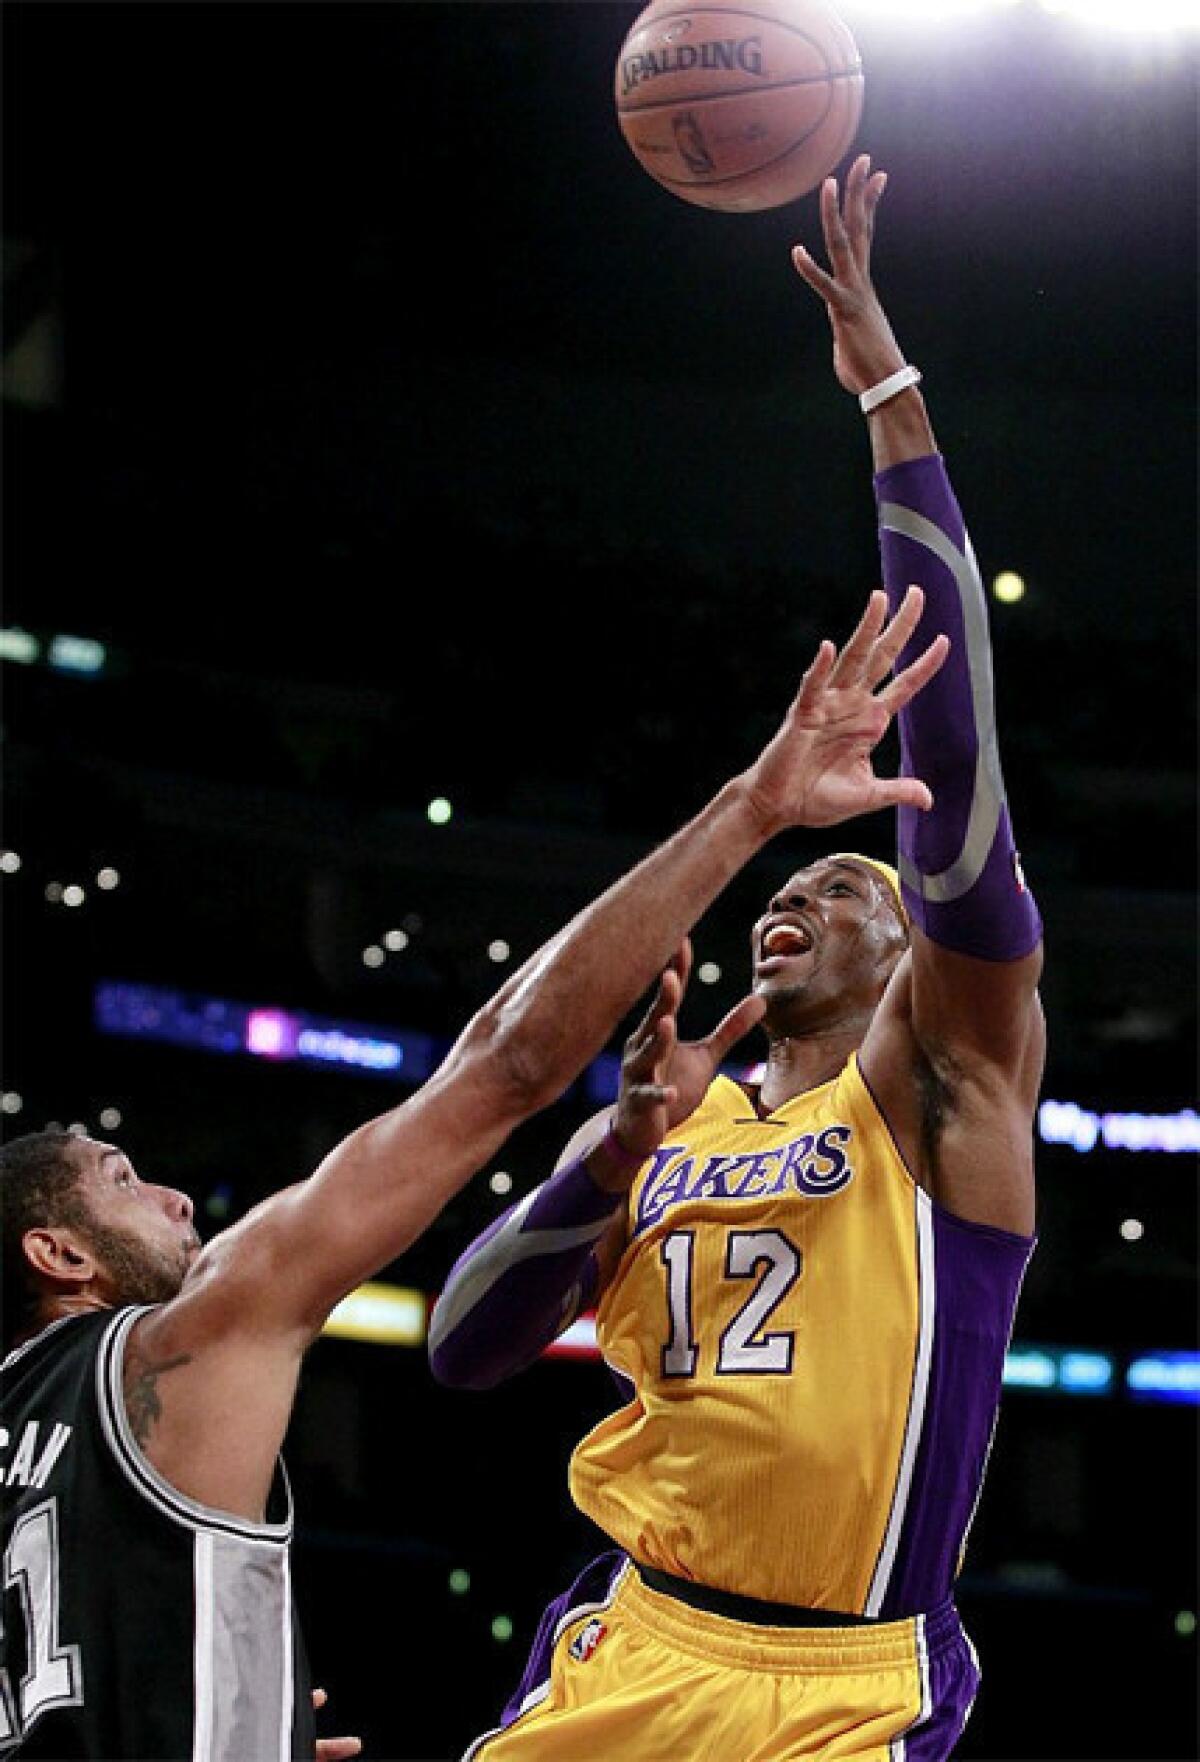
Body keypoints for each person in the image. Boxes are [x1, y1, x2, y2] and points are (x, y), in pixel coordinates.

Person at [0, 566, 945, 1762]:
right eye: (123, 1177)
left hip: (833, 1656)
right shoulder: (186, 1346)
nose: (178, 1193)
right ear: (61, 1252)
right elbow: (502, 1067)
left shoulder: (927, 1100)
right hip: (663, 1635)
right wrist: (754, 805)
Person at [429, 155, 1046, 1762]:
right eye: (788, 886)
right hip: (627, 1637)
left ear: (906, 942)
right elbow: (460, 1345)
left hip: (847, 1687)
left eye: (845, 884)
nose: (798, 897)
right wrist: (610, 1154)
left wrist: (891, 398)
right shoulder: (658, 1123)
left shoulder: (946, 1085)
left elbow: (961, 810)